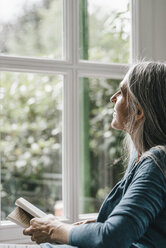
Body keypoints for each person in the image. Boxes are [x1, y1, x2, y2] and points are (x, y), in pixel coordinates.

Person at [23, 61, 166, 248]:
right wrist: (93, 228)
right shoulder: (141, 156)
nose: (113, 98)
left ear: (139, 111)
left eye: (122, 92)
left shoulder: (156, 161)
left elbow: (114, 237)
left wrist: (55, 229)